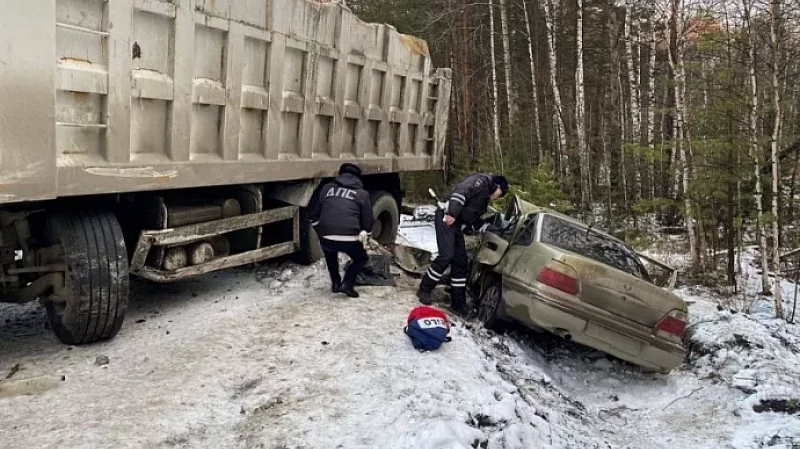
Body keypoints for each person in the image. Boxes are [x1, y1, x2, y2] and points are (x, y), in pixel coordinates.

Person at [416, 173, 509, 313]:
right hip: (446, 217)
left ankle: (458, 303)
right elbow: (461, 193)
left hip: (456, 224)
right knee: (446, 255)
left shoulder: (484, 201)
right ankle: (425, 289)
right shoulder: (481, 181)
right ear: (498, 187)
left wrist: (492, 229)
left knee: (460, 262)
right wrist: (452, 213)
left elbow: (473, 220)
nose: (497, 198)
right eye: (500, 194)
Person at [309, 163, 375, 298]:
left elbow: (313, 212)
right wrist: (366, 233)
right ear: (358, 177)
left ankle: (335, 283)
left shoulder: (326, 188)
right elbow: (368, 220)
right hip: (350, 238)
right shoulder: (362, 194)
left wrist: (320, 230)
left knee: (330, 252)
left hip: (327, 236)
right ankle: (347, 284)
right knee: (361, 258)